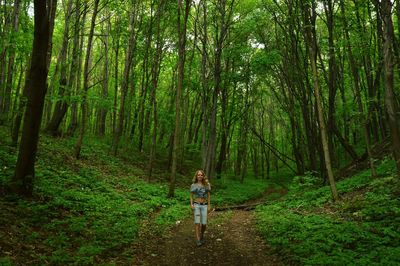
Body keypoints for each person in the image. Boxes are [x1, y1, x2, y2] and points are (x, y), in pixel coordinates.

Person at [190, 170, 211, 247]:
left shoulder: (207, 184)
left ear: (203, 176)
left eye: (201, 175)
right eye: (198, 175)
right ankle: (198, 239)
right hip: (197, 205)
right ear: (196, 176)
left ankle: (201, 234)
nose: (200, 176)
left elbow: (209, 195)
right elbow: (191, 195)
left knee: (204, 224)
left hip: (204, 205)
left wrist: (209, 205)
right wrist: (191, 204)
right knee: (197, 223)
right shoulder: (193, 185)